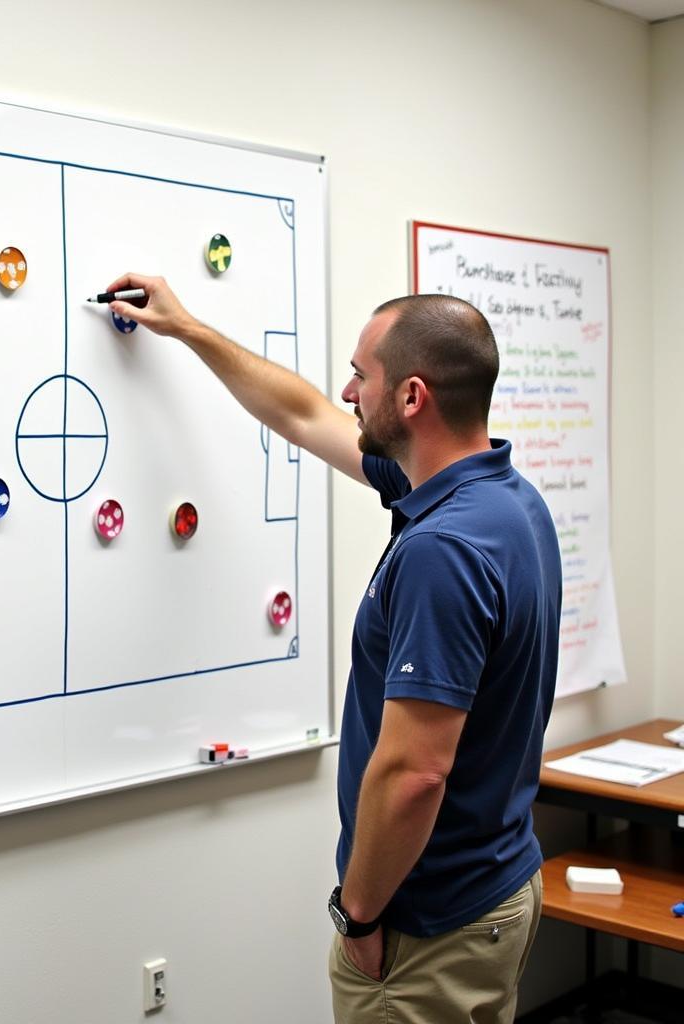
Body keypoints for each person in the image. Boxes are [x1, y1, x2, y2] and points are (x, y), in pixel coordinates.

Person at [107, 273, 561, 1024]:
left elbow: (415, 773)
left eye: (362, 376)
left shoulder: (443, 548)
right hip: (494, 886)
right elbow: (301, 413)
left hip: (428, 921)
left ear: (412, 398)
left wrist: (359, 914)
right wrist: (189, 329)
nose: (348, 392)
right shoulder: (506, 501)